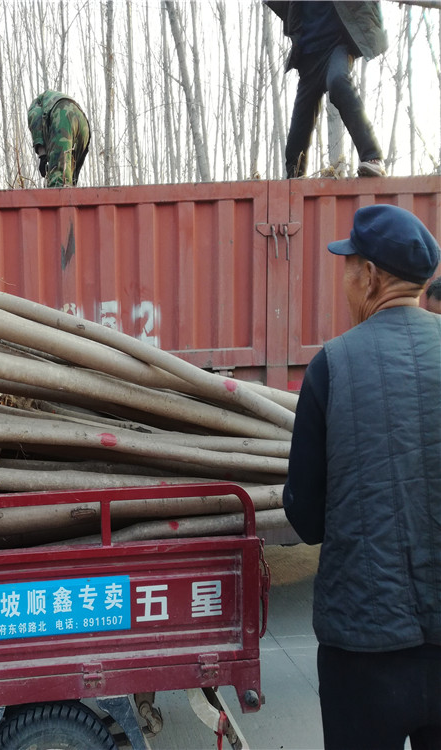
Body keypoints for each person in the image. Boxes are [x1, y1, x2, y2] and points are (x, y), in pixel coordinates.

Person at [283, 204, 441, 749]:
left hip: (364, 652)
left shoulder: (333, 365)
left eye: (349, 268)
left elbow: (305, 517)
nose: (346, 281)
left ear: (369, 275)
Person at [265, 1, 388, 178]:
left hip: (337, 47)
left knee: (338, 82)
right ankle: (293, 176)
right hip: (308, 56)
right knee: (300, 122)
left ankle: (372, 157)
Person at [27, 91, 90, 187]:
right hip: (83, 124)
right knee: (68, 177)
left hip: (63, 112)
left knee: (58, 181)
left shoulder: (36, 103)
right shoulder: (49, 101)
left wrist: (42, 154)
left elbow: (35, 116)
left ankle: (56, 197)